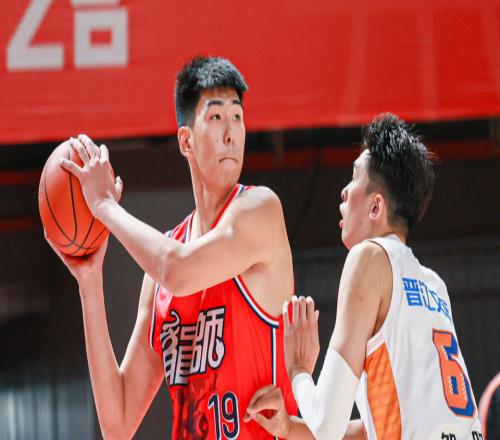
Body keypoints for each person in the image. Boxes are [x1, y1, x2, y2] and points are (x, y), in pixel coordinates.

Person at [46, 56, 297, 439]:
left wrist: (105, 207)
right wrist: (90, 281)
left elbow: (177, 270)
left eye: (237, 117)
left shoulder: (261, 209)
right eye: (216, 117)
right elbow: (117, 424)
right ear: (186, 140)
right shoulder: (161, 272)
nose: (231, 133)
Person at [245, 114, 484, 439]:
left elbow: (326, 425)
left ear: (376, 208)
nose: (344, 191)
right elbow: (374, 428)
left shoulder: (369, 257)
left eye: (354, 176)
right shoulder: (434, 285)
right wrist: (289, 427)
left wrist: (299, 371)